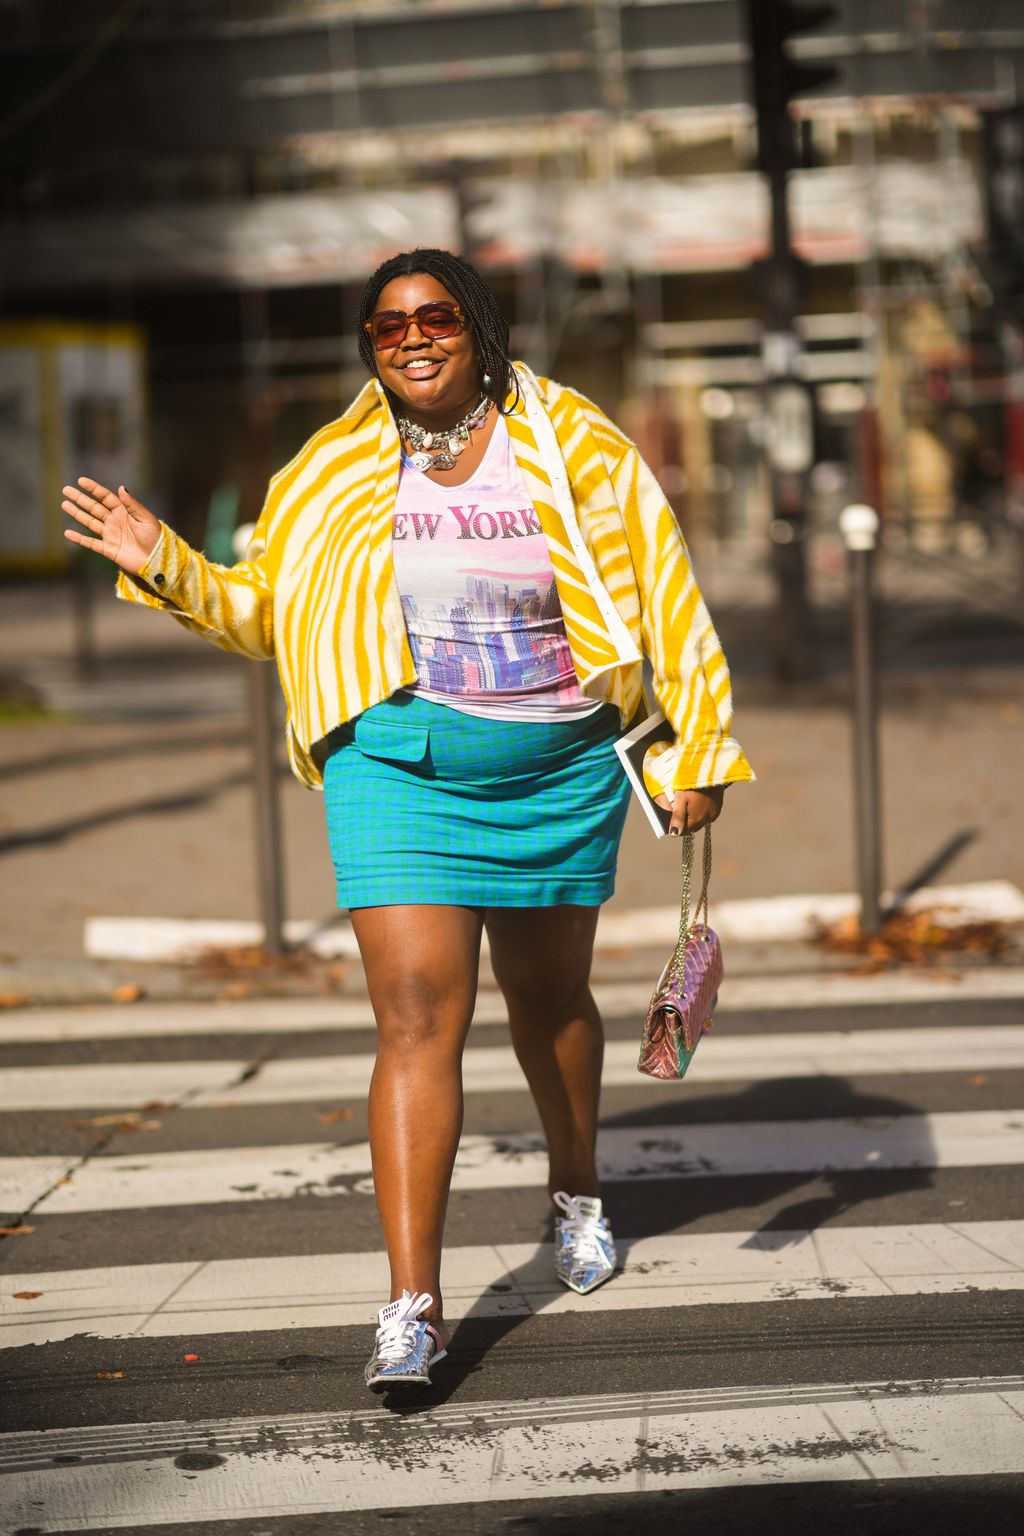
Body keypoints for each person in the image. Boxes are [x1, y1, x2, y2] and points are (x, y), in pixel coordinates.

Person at [62, 247, 754, 1394]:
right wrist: (165, 563)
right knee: (414, 1020)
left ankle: (576, 1188)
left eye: (436, 317)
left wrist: (699, 748)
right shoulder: (334, 466)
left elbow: (666, 592)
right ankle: (413, 1309)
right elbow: (268, 615)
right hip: (398, 765)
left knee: (548, 1003)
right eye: (388, 326)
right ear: (369, 346)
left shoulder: (575, 440)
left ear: (477, 326)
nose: (414, 337)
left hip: (560, 765)